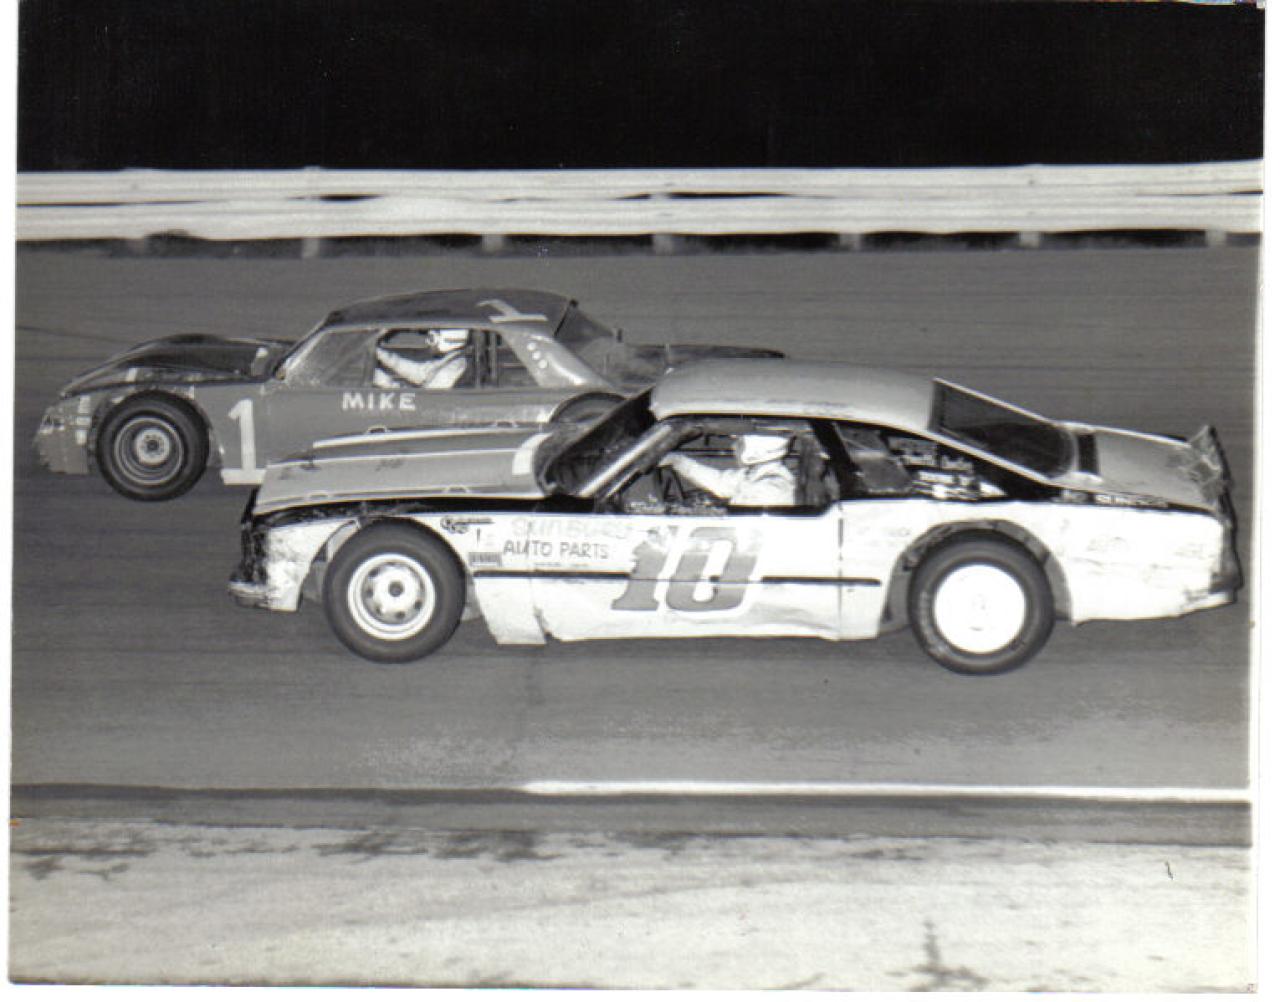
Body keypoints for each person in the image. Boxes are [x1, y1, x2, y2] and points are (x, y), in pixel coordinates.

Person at [660, 432, 797, 506]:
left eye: (740, 443)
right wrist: (678, 461)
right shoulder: (758, 475)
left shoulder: (770, 489)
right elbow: (719, 482)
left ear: (756, 451)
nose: (733, 447)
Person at [374, 328, 470, 389]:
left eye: (431, 338)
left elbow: (424, 399)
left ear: (447, 342)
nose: (427, 343)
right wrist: (381, 354)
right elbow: (420, 372)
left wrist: (386, 382)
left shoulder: (450, 371)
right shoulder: (452, 359)